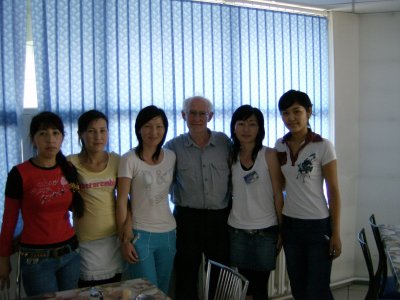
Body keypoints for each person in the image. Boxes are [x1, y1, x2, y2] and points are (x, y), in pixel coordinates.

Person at [0, 111, 84, 297]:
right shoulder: (20, 173)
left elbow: (73, 207)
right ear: (33, 139)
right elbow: (9, 221)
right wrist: (3, 259)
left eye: (55, 133)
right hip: (36, 260)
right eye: (42, 133)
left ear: (62, 137)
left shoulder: (68, 169)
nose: (50, 139)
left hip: (70, 253)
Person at [275, 90, 342, 300]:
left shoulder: (323, 146)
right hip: (291, 226)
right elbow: (281, 186)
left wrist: (336, 233)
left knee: (318, 289)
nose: (291, 118)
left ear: (309, 112)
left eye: (297, 111)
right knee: (298, 287)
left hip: (317, 225)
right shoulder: (280, 145)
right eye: (285, 113)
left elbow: (333, 191)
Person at [165, 96, 231, 300]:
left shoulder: (225, 143)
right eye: (192, 113)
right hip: (186, 219)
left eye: (202, 113)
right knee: (186, 275)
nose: (197, 118)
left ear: (210, 116)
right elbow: (163, 185)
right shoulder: (172, 147)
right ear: (184, 115)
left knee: (220, 276)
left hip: (220, 219)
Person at [116, 105, 176, 295]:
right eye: (148, 126)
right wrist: (124, 240)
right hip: (141, 234)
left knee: (164, 290)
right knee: (145, 292)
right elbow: (121, 201)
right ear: (139, 129)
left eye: (159, 126)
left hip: (169, 233)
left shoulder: (172, 156)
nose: (154, 132)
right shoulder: (129, 159)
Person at [228, 105, 283, 300]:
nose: (246, 129)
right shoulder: (230, 156)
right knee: (243, 289)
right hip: (237, 231)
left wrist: (281, 230)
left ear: (260, 128)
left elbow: (278, 194)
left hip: (265, 232)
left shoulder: (269, 155)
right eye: (241, 124)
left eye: (252, 124)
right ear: (234, 127)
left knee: (260, 289)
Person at [68, 109, 126, 287]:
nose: (98, 136)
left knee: (113, 290)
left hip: (113, 238)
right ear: (81, 134)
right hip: (85, 239)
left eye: (103, 130)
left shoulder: (117, 161)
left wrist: (126, 234)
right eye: (91, 131)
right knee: (87, 290)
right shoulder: (70, 163)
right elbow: (67, 202)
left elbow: (125, 200)